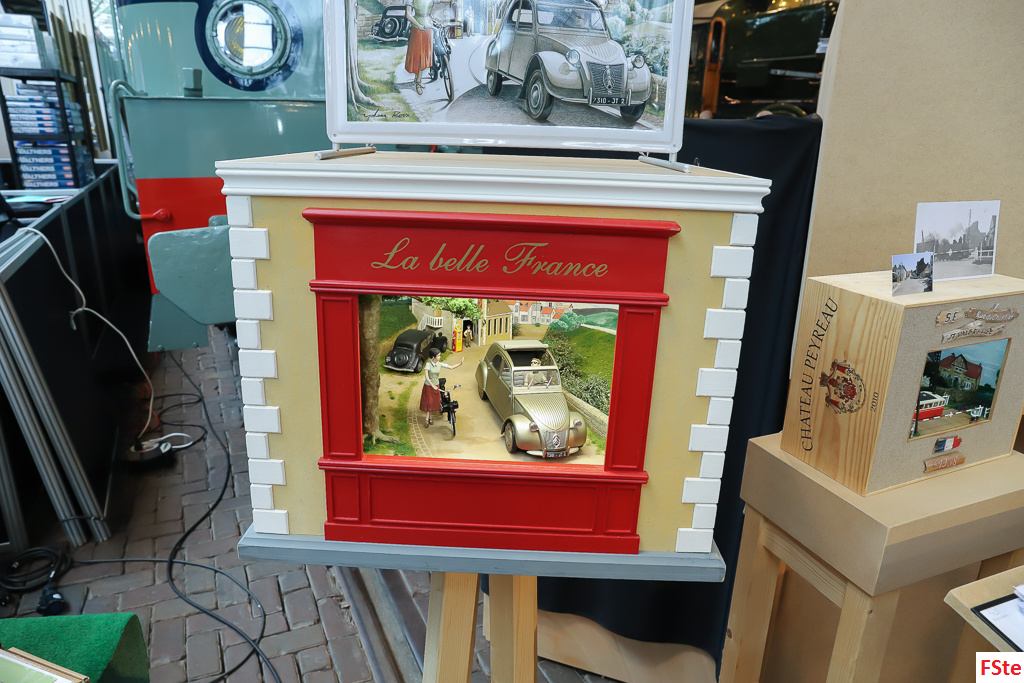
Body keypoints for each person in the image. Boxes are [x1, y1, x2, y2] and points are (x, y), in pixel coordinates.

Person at [420, 348, 463, 426]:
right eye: (438, 355)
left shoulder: (439, 364)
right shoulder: (428, 365)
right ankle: (428, 418)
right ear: (433, 357)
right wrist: (432, 385)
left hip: (436, 385)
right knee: (429, 402)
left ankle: (429, 418)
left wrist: (460, 363)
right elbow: (427, 377)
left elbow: (451, 367)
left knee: (433, 402)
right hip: (429, 386)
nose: (440, 357)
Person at [405, 0, 434, 95]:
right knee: (419, 56)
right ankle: (418, 82)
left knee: (425, 55)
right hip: (418, 29)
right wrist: (419, 25)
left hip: (429, 28)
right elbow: (408, 15)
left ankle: (418, 78)